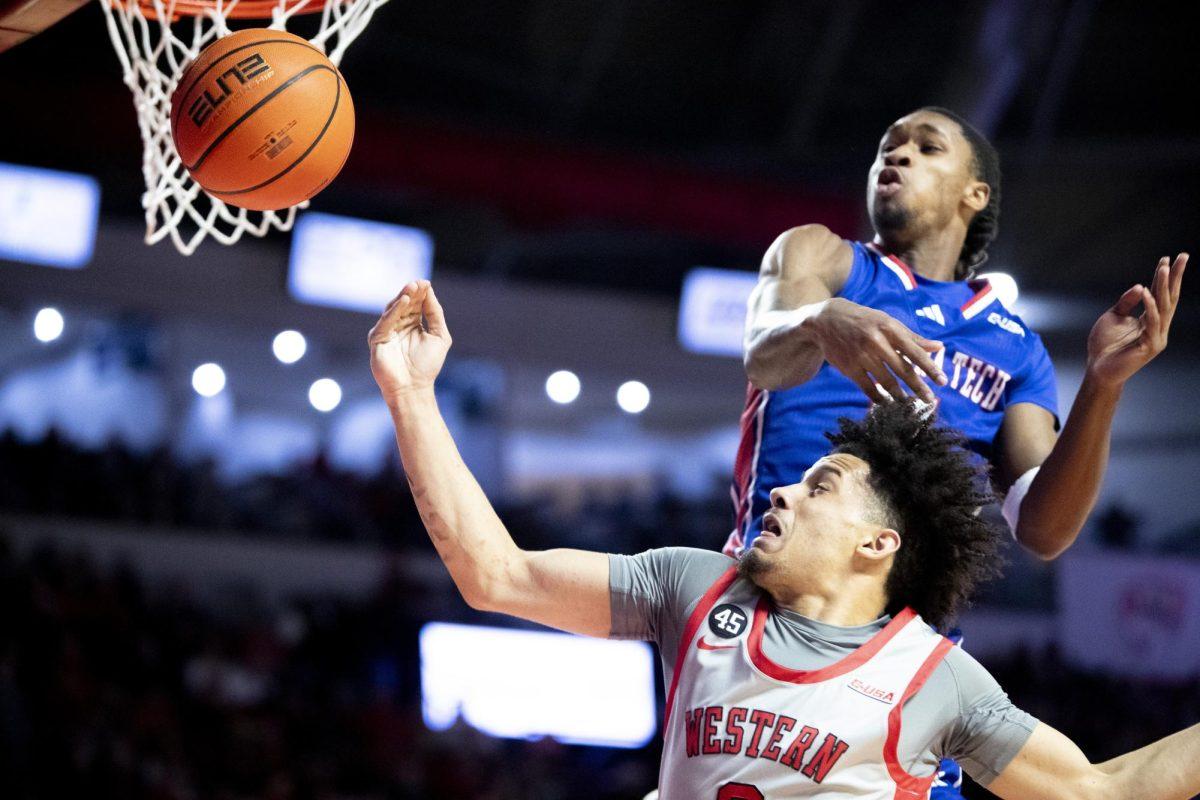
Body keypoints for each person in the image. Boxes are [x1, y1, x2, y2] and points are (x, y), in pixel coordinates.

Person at [368, 280, 1200, 800]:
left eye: (820, 486)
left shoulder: (932, 678)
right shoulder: (696, 588)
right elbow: (497, 575)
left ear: (877, 544)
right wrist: (409, 394)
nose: (782, 489)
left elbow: (1105, 790)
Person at [728, 106, 1188, 563]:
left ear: (975, 194)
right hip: (773, 576)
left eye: (928, 147)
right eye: (889, 147)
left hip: (906, 605)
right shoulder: (821, 255)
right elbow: (765, 361)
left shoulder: (1018, 348)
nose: (898, 155)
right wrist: (819, 320)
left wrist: (1103, 385)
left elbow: (1044, 531)